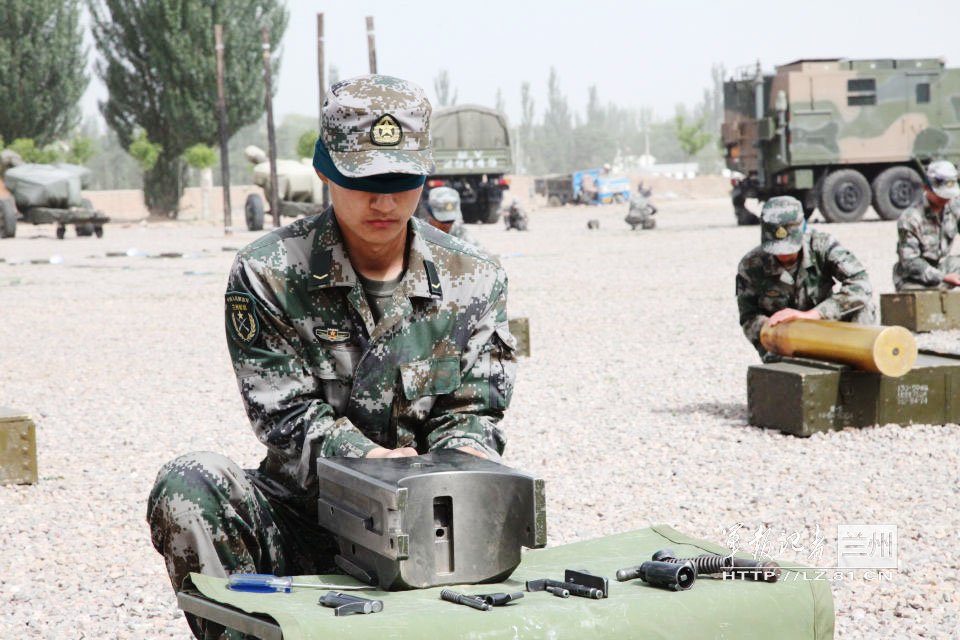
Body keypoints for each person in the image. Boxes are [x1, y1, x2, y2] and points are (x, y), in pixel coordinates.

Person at [147, 74, 517, 639]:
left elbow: (473, 410)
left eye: (400, 181)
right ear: (325, 169)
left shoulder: (475, 277)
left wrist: (459, 461)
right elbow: (286, 417)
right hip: (304, 516)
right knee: (189, 485)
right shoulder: (268, 272)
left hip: (428, 527)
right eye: (364, 180)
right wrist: (370, 461)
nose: (384, 201)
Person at [736, 195, 875, 360]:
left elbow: (861, 284)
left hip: (828, 329)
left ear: (802, 231)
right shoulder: (752, 265)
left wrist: (815, 314)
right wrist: (775, 335)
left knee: (863, 306)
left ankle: (859, 366)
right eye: (777, 249)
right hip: (786, 341)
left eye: (790, 247)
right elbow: (749, 317)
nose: (784, 254)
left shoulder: (822, 246)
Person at [893, 160, 960, 291]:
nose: (945, 199)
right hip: (914, 279)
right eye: (941, 195)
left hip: (940, 267)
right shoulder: (911, 218)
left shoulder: (953, 207)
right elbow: (910, 262)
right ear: (926, 187)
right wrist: (944, 277)